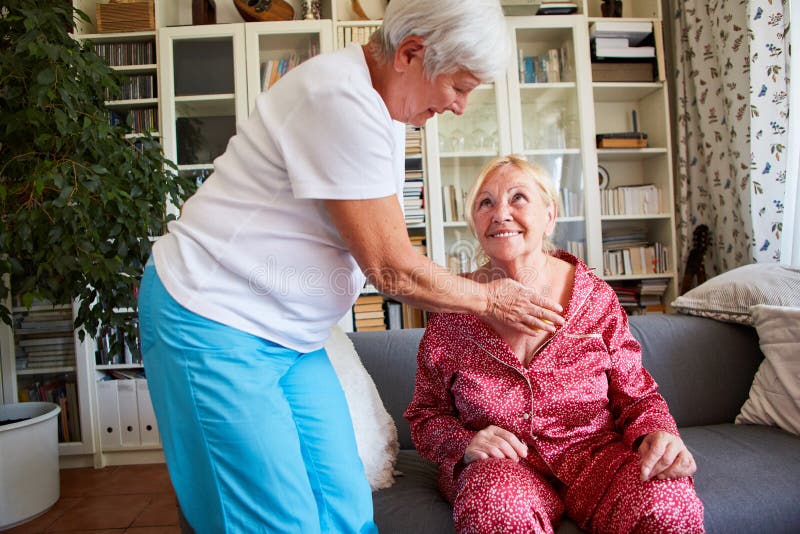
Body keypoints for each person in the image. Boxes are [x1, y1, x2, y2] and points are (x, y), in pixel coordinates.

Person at [138, 2, 566, 533]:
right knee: (273, 521)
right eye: (459, 86)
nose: (460, 106)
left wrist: (469, 286)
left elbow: (387, 247)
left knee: (343, 505)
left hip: (293, 334)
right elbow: (392, 268)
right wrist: (491, 296)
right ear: (412, 53)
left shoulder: (382, 106)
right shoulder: (340, 98)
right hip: (213, 317)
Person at [404, 155, 705, 534]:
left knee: (667, 501)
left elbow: (637, 395)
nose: (500, 214)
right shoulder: (453, 308)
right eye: (485, 202)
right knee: (496, 506)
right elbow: (425, 414)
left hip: (596, 459)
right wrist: (465, 442)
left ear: (550, 215)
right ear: (474, 223)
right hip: (503, 468)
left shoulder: (593, 297)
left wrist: (659, 434)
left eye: (518, 198)